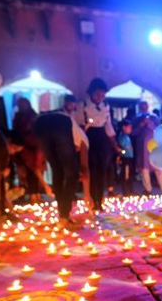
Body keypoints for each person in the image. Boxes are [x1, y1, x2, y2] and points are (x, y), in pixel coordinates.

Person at [34, 96, 92, 226]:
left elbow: (38, 162)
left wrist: (45, 185)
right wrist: (87, 195)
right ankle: (64, 215)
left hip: (39, 123)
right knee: (72, 173)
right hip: (60, 122)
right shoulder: (84, 140)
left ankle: (63, 214)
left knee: (57, 169)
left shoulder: (68, 139)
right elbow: (84, 169)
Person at [75, 78, 120, 211]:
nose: (100, 96)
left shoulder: (106, 106)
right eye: (97, 94)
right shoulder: (82, 105)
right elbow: (79, 126)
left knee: (101, 171)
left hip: (102, 138)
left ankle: (99, 201)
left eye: (102, 94)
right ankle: (91, 200)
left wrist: (115, 144)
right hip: (88, 137)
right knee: (91, 170)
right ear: (91, 93)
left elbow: (108, 126)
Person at [12, 97, 50, 202]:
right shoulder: (18, 117)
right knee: (30, 171)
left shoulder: (34, 116)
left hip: (36, 144)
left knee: (38, 169)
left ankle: (38, 193)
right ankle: (33, 194)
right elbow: (16, 131)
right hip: (25, 146)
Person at [132, 101, 162, 194]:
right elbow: (133, 132)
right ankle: (148, 189)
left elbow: (158, 130)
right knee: (144, 168)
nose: (144, 108)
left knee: (157, 165)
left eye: (145, 106)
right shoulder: (137, 118)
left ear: (148, 107)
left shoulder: (154, 117)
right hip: (142, 146)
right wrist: (141, 124)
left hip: (153, 144)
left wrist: (149, 123)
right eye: (142, 106)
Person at [118, 119, 135, 195]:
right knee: (126, 175)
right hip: (125, 158)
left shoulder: (127, 137)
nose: (130, 129)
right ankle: (126, 191)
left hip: (129, 157)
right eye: (129, 127)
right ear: (124, 127)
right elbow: (121, 147)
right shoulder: (122, 137)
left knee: (129, 174)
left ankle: (130, 190)